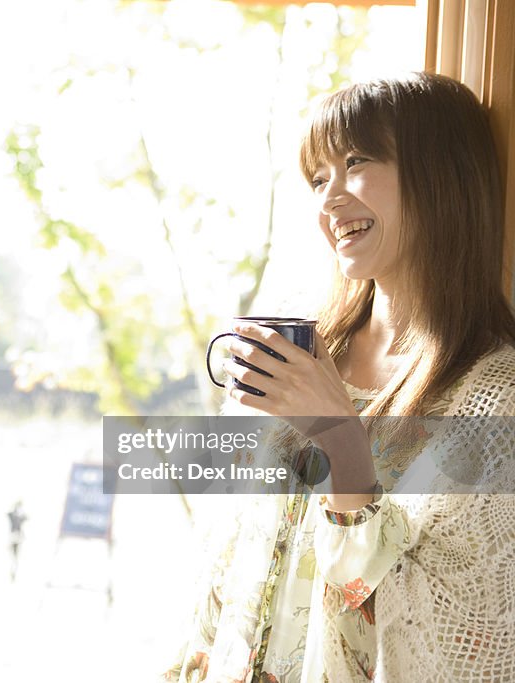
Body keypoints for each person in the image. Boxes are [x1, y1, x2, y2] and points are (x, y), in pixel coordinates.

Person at [167, 72, 515, 682]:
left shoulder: (492, 399)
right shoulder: (306, 353)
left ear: (442, 175)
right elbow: (226, 567)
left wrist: (341, 440)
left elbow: (453, 640)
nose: (328, 202)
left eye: (355, 162)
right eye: (318, 177)